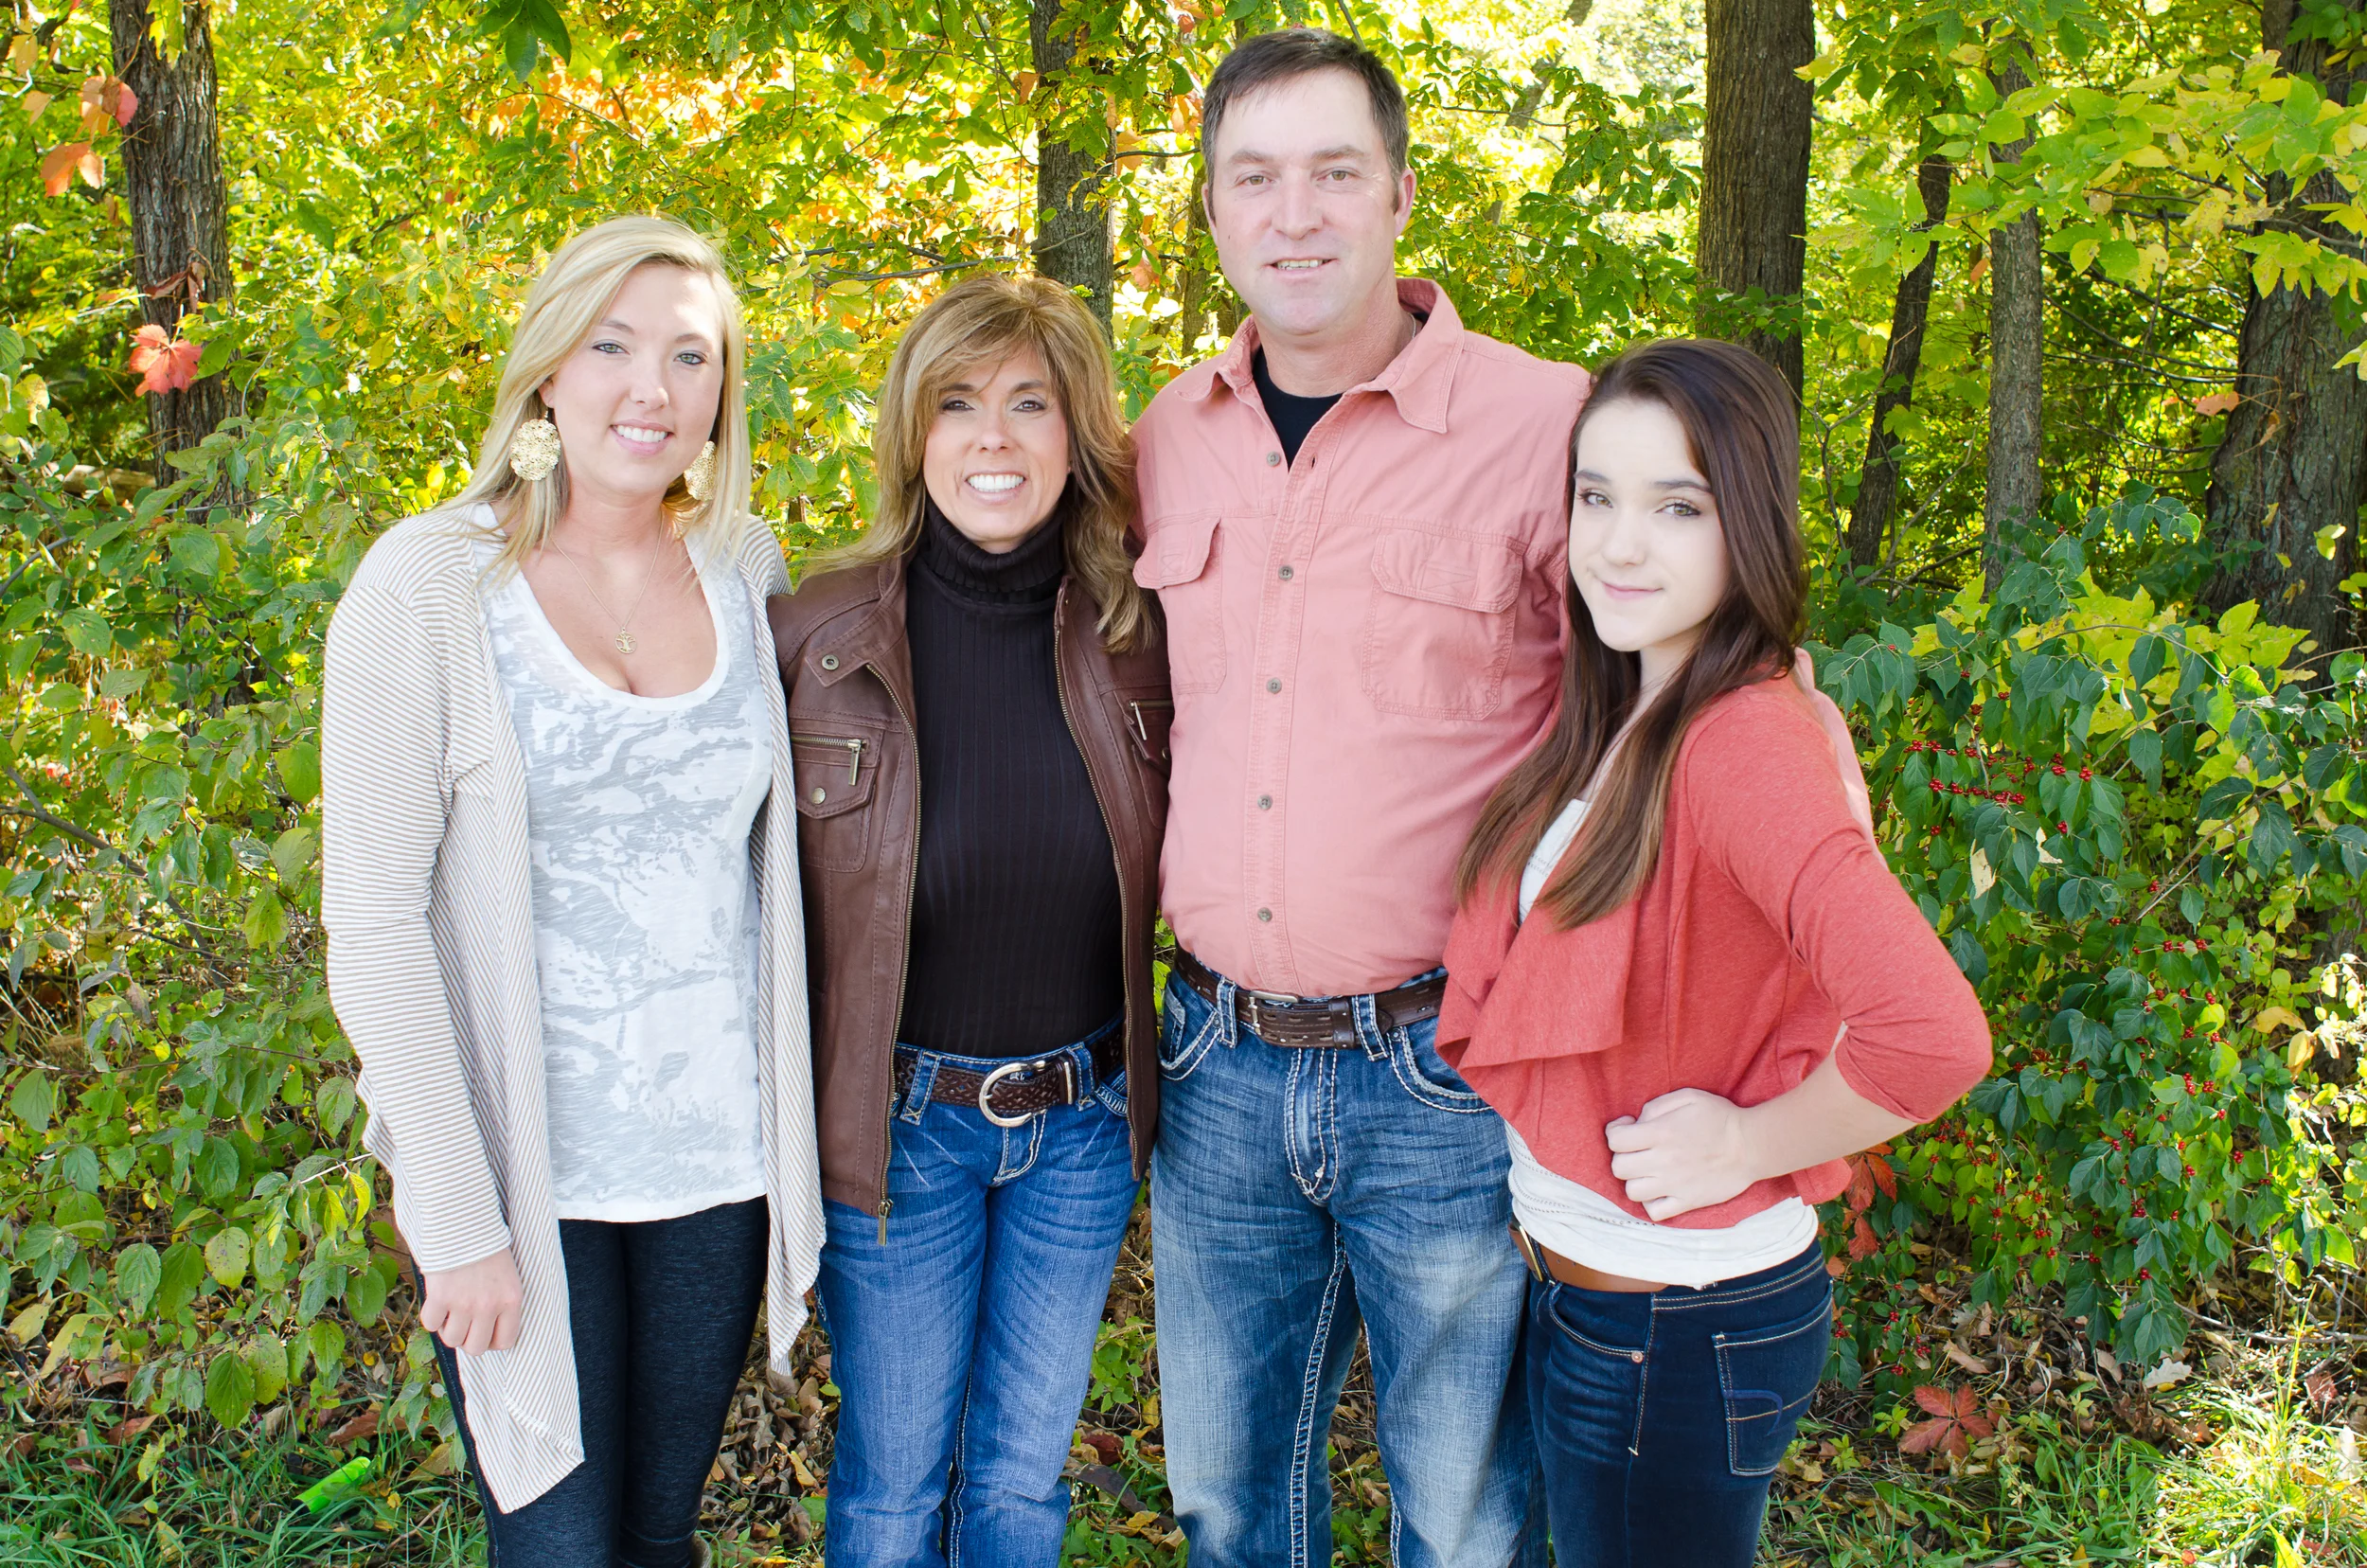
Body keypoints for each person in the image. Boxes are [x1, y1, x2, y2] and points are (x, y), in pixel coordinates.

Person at [1128, 27, 1588, 1568]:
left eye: (1335, 171)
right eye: (1254, 179)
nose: (1296, 213)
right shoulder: (1157, 445)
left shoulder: (1551, 428)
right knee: (1227, 1507)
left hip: (1443, 1072)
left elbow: (1691, 675)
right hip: (1215, 1067)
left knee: (1464, 1521)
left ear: (1401, 191)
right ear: (1211, 212)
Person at [320, 215, 824, 1568]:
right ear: (547, 368)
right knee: (557, 1548)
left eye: (688, 355)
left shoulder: (746, 567)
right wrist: (455, 1218)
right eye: (610, 345)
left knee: (657, 1538)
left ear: (724, 394)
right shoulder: (426, 584)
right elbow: (372, 928)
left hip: (717, 1170)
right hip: (524, 1178)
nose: (648, 389)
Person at [1440, 338, 1994, 1566]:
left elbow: (1936, 1035)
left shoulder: (1744, 743)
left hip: (1673, 1334)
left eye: (1675, 506)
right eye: (1597, 496)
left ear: (1745, 521)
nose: (1619, 543)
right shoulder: (1631, 705)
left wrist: (1752, 1140)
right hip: (1601, 1308)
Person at [766, 275, 1171, 1568]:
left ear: (1079, 432)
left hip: (1083, 1128)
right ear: (912, 434)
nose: (991, 438)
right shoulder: (815, 638)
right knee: (892, 1488)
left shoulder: (1140, 638)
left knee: (1018, 1482)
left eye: (1027, 404)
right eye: (956, 404)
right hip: (899, 1134)